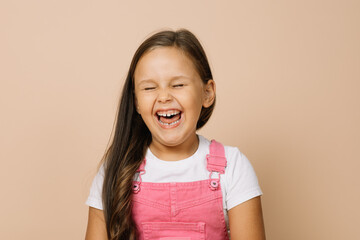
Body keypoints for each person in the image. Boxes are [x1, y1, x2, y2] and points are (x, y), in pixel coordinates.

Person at [85, 29, 266, 240]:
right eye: (150, 87)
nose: (163, 97)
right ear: (135, 102)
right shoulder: (116, 169)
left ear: (207, 93)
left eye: (178, 85)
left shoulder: (233, 166)